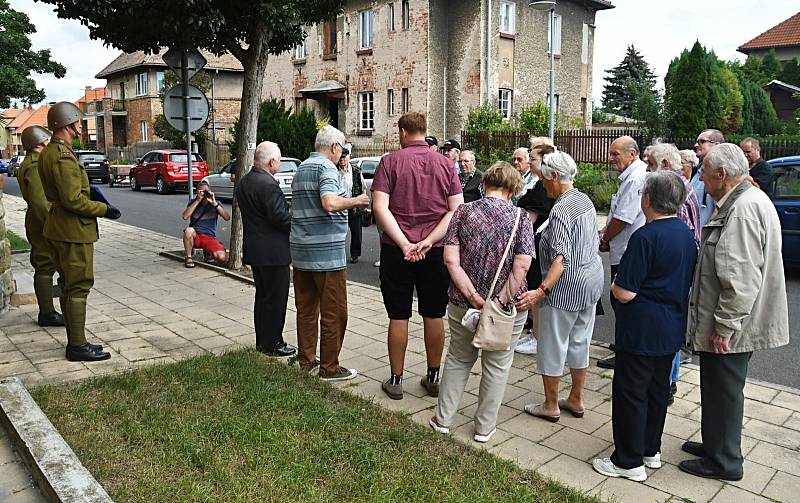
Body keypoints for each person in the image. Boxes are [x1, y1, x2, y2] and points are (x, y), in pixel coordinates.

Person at [679, 144, 789, 481]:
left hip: (733, 324)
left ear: (721, 175)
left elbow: (740, 280)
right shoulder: (746, 200)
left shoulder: (740, 209)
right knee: (717, 388)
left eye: (705, 172)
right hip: (737, 320)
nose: (702, 179)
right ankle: (716, 444)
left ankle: (725, 461)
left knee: (724, 391)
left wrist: (725, 326)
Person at [591, 171, 697, 483]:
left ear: (647, 199)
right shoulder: (686, 234)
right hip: (671, 327)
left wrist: (613, 286)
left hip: (640, 329)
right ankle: (651, 449)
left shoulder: (645, 237)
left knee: (631, 393)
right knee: (657, 390)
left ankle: (628, 460)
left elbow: (625, 290)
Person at [429, 161, 534, 443]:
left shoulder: (462, 213)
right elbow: (522, 267)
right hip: (506, 308)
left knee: (458, 359)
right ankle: (484, 428)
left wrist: (475, 299)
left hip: (462, 303)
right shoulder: (521, 218)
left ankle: (443, 419)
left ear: (485, 183)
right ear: (512, 189)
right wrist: (497, 301)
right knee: (497, 365)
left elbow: (450, 260)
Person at [372, 112, 463, 400]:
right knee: (434, 313)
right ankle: (434, 375)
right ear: (424, 132)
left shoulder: (389, 162)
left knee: (398, 314)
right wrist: (427, 241)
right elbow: (455, 210)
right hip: (434, 251)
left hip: (395, 251)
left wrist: (404, 243)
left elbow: (380, 207)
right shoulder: (446, 165)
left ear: (402, 132)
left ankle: (396, 379)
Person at [516, 151, 603, 422]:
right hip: (591, 282)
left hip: (565, 288)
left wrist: (540, 291)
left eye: (544, 179)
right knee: (580, 341)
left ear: (554, 176)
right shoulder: (584, 200)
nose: (542, 185)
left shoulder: (562, 209)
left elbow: (560, 260)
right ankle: (576, 399)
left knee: (552, 345)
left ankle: (551, 405)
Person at [38, 102, 120, 362]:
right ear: (67, 124)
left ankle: (77, 340)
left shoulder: (52, 152)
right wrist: (103, 209)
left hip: (61, 227)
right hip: (72, 230)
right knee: (78, 285)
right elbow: (73, 199)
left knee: (67, 285)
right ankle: (77, 345)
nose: (80, 126)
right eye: (77, 121)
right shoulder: (62, 156)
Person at [291, 125, 370, 381]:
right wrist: (357, 201)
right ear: (335, 147)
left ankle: (305, 360)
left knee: (306, 310)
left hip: (302, 253)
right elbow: (329, 202)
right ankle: (329, 367)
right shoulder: (326, 168)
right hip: (327, 256)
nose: (343, 152)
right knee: (335, 313)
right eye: (343, 147)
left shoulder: (301, 167)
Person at [647, 143, 701, 404]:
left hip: (673, 270)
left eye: (650, 163)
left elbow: (672, 235)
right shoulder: (684, 186)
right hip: (682, 268)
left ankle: (666, 382)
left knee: (668, 323)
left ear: (665, 165)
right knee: (673, 321)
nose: (647, 169)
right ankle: (669, 379)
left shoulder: (672, 189)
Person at [235, 141, 297, 358]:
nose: (279, 164)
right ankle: (274, 343)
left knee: (262, 297)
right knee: (276, 299)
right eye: (279, 161)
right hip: (273, 252)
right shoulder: (269, 185)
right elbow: (280, 218)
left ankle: (262, 340)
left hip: (255, 248)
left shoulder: (244, 181)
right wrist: (295, 219)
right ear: (272, 162)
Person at [597, 136, 647, 370]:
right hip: (622, 247)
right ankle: (622, 345)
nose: (610, 158)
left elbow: (623, 218)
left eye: (615, 154)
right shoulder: (631, 176)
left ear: (632, 154)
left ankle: (625, 352)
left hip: (626, 250)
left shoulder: (636, 178)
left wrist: (605, 238)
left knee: (623, 302)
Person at [17, 126, 64, 327]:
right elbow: (39, 201)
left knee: (44, 264)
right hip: (42, 221)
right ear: (39, 144)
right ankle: (47, 312)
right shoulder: (35, 165)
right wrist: (54, 225)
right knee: (45, 265)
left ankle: (47, 311)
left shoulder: (29, 163)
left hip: (36, 219)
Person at [514, 142, 556, 356]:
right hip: (536, 241)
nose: (529, 162)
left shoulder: (541, 188)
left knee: (536, 288)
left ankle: (538, 337)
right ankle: (536, 333)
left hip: (539, 244)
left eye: (533, 158)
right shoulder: (538, 184)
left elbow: (530, 220)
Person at [181, 180, 230, 268]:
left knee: (221, 257)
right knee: (188, 230)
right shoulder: (193, 202)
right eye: (202, 192)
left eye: (206, 191)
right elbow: (185, 216)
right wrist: (197, 200)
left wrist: (214, 204)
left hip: (209, 237)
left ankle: (209, 252)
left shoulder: (216, 203)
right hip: (195, 235)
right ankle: (188, 257)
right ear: (198, 192)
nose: (204, 194)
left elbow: (227, 218)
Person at [338, 144, 367, 263]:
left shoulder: (356, 170)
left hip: (354, 205)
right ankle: (339, 254)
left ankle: (355, 255)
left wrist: (363, 205)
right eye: (340, 157)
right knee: (339, 232)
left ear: (349, 157)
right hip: (340, 205)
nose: (342, 159)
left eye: (344, 157)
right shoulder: (334, 170)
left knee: (356, 232)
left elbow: (363, 187)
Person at [691, 129, 725, 227]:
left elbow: (721, 208)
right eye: (697, 142)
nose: (696, 145)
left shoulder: (722, 174)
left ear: (717, 145)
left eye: (701, 141)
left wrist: (706, 233)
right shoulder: (697, 171)